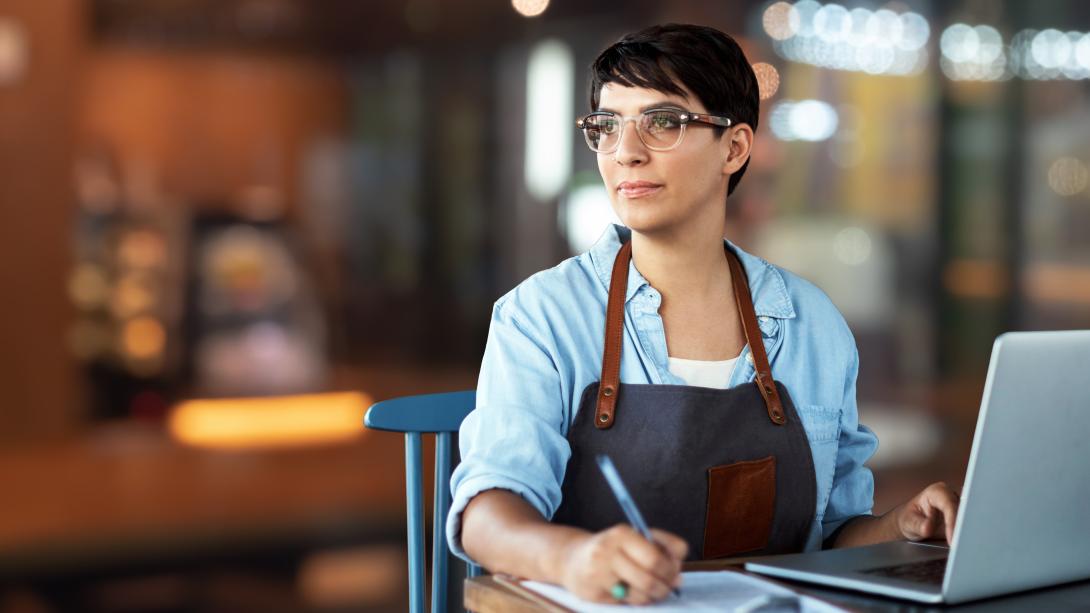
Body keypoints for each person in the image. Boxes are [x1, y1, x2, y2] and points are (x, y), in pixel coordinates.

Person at [446, 23, 960, 606]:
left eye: (662, 122)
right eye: (607, 126)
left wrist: (902, 528)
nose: (626, 151)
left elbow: (829, 537)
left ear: (735, 148)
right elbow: (485, 519)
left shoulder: (812, 325)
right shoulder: (541, 316)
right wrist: (573, 557)